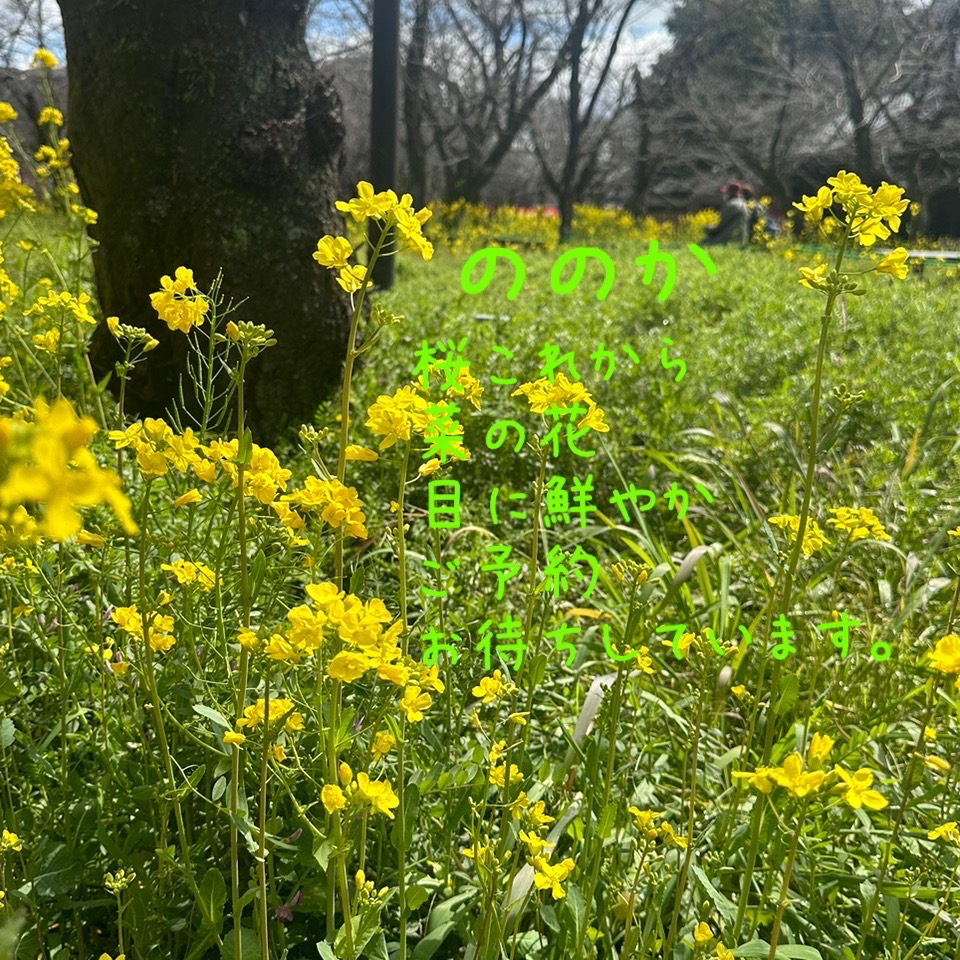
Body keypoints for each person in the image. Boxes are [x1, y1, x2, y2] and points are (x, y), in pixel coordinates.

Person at [702, 181, 749, 246]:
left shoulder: (732, 205)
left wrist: (707, 228)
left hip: (729, 239)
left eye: (726, 193)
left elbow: (719, 227)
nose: (724, 195)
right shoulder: (743, 203)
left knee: (696, 247)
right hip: (740, 238)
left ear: (730, 193)